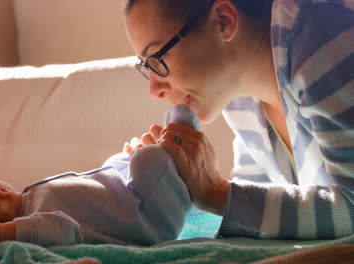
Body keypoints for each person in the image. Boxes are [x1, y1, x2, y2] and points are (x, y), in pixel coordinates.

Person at [123, 0, 354, 239]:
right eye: (146, 66)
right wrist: (176, 183)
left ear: (223, 21)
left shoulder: (320, 36)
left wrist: (216, 193)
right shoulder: (238, 98)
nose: (154, 89)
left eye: (158, 57)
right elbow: (261, 217)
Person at [0, 104, 200, 254]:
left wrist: (122, 165)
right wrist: (4, 234)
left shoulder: (34, 203)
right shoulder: (37, 224)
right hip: (150, 219)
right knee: (148, 158)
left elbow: (94, 189)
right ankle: (183, 131)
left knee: (115, 164)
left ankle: (154, 153)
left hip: (130, 199)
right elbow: (64, 229)